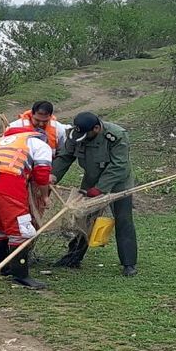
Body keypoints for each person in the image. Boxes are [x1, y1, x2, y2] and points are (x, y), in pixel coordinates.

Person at [51, 111, 138, 276]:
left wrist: (101, 188)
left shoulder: (116, 135)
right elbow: (65, 156)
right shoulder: (76, 135)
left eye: (86, 134)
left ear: (97, 128)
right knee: (84, 219)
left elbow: (119, 166)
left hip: (118, 183)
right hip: (91, 180)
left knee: (123, 220)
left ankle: (128, 264)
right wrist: (53, 175)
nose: (82, 138)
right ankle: (73, 257)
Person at [0, 125, 54, 290]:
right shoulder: (40, 144)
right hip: (9, 188)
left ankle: (4, 268)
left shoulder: (0, 141)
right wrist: (45, 196)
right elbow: (42, 174)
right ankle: (21, 275)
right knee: (21, 231)